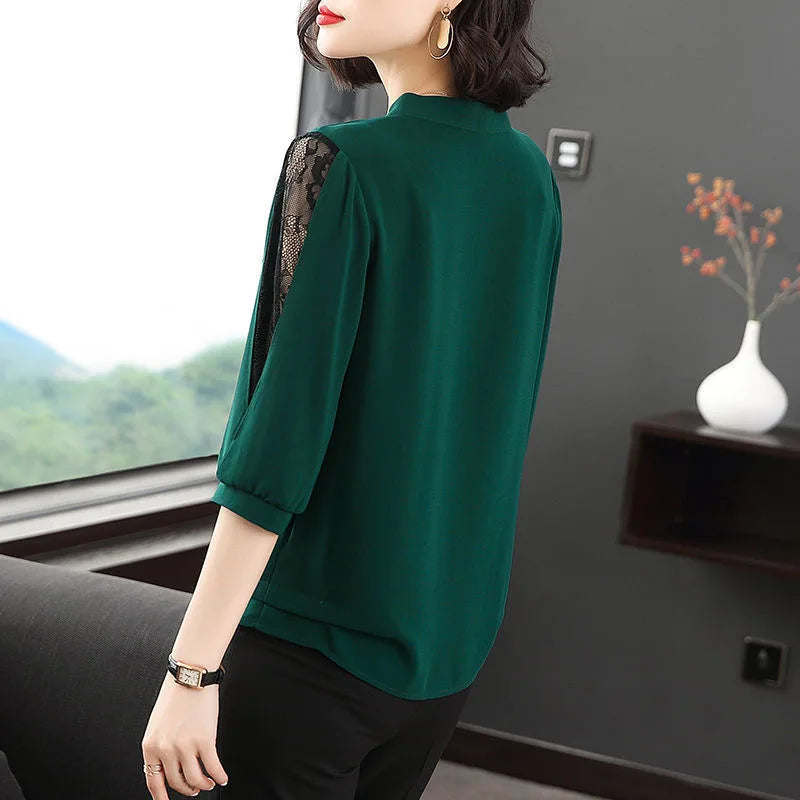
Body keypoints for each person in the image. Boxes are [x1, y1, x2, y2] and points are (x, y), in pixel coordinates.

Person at [142, 0, 562, 796]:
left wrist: (191, 671)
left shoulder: (340, 161)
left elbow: (275, 443)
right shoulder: (528, 176)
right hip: (446, 650)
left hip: (310, 649)